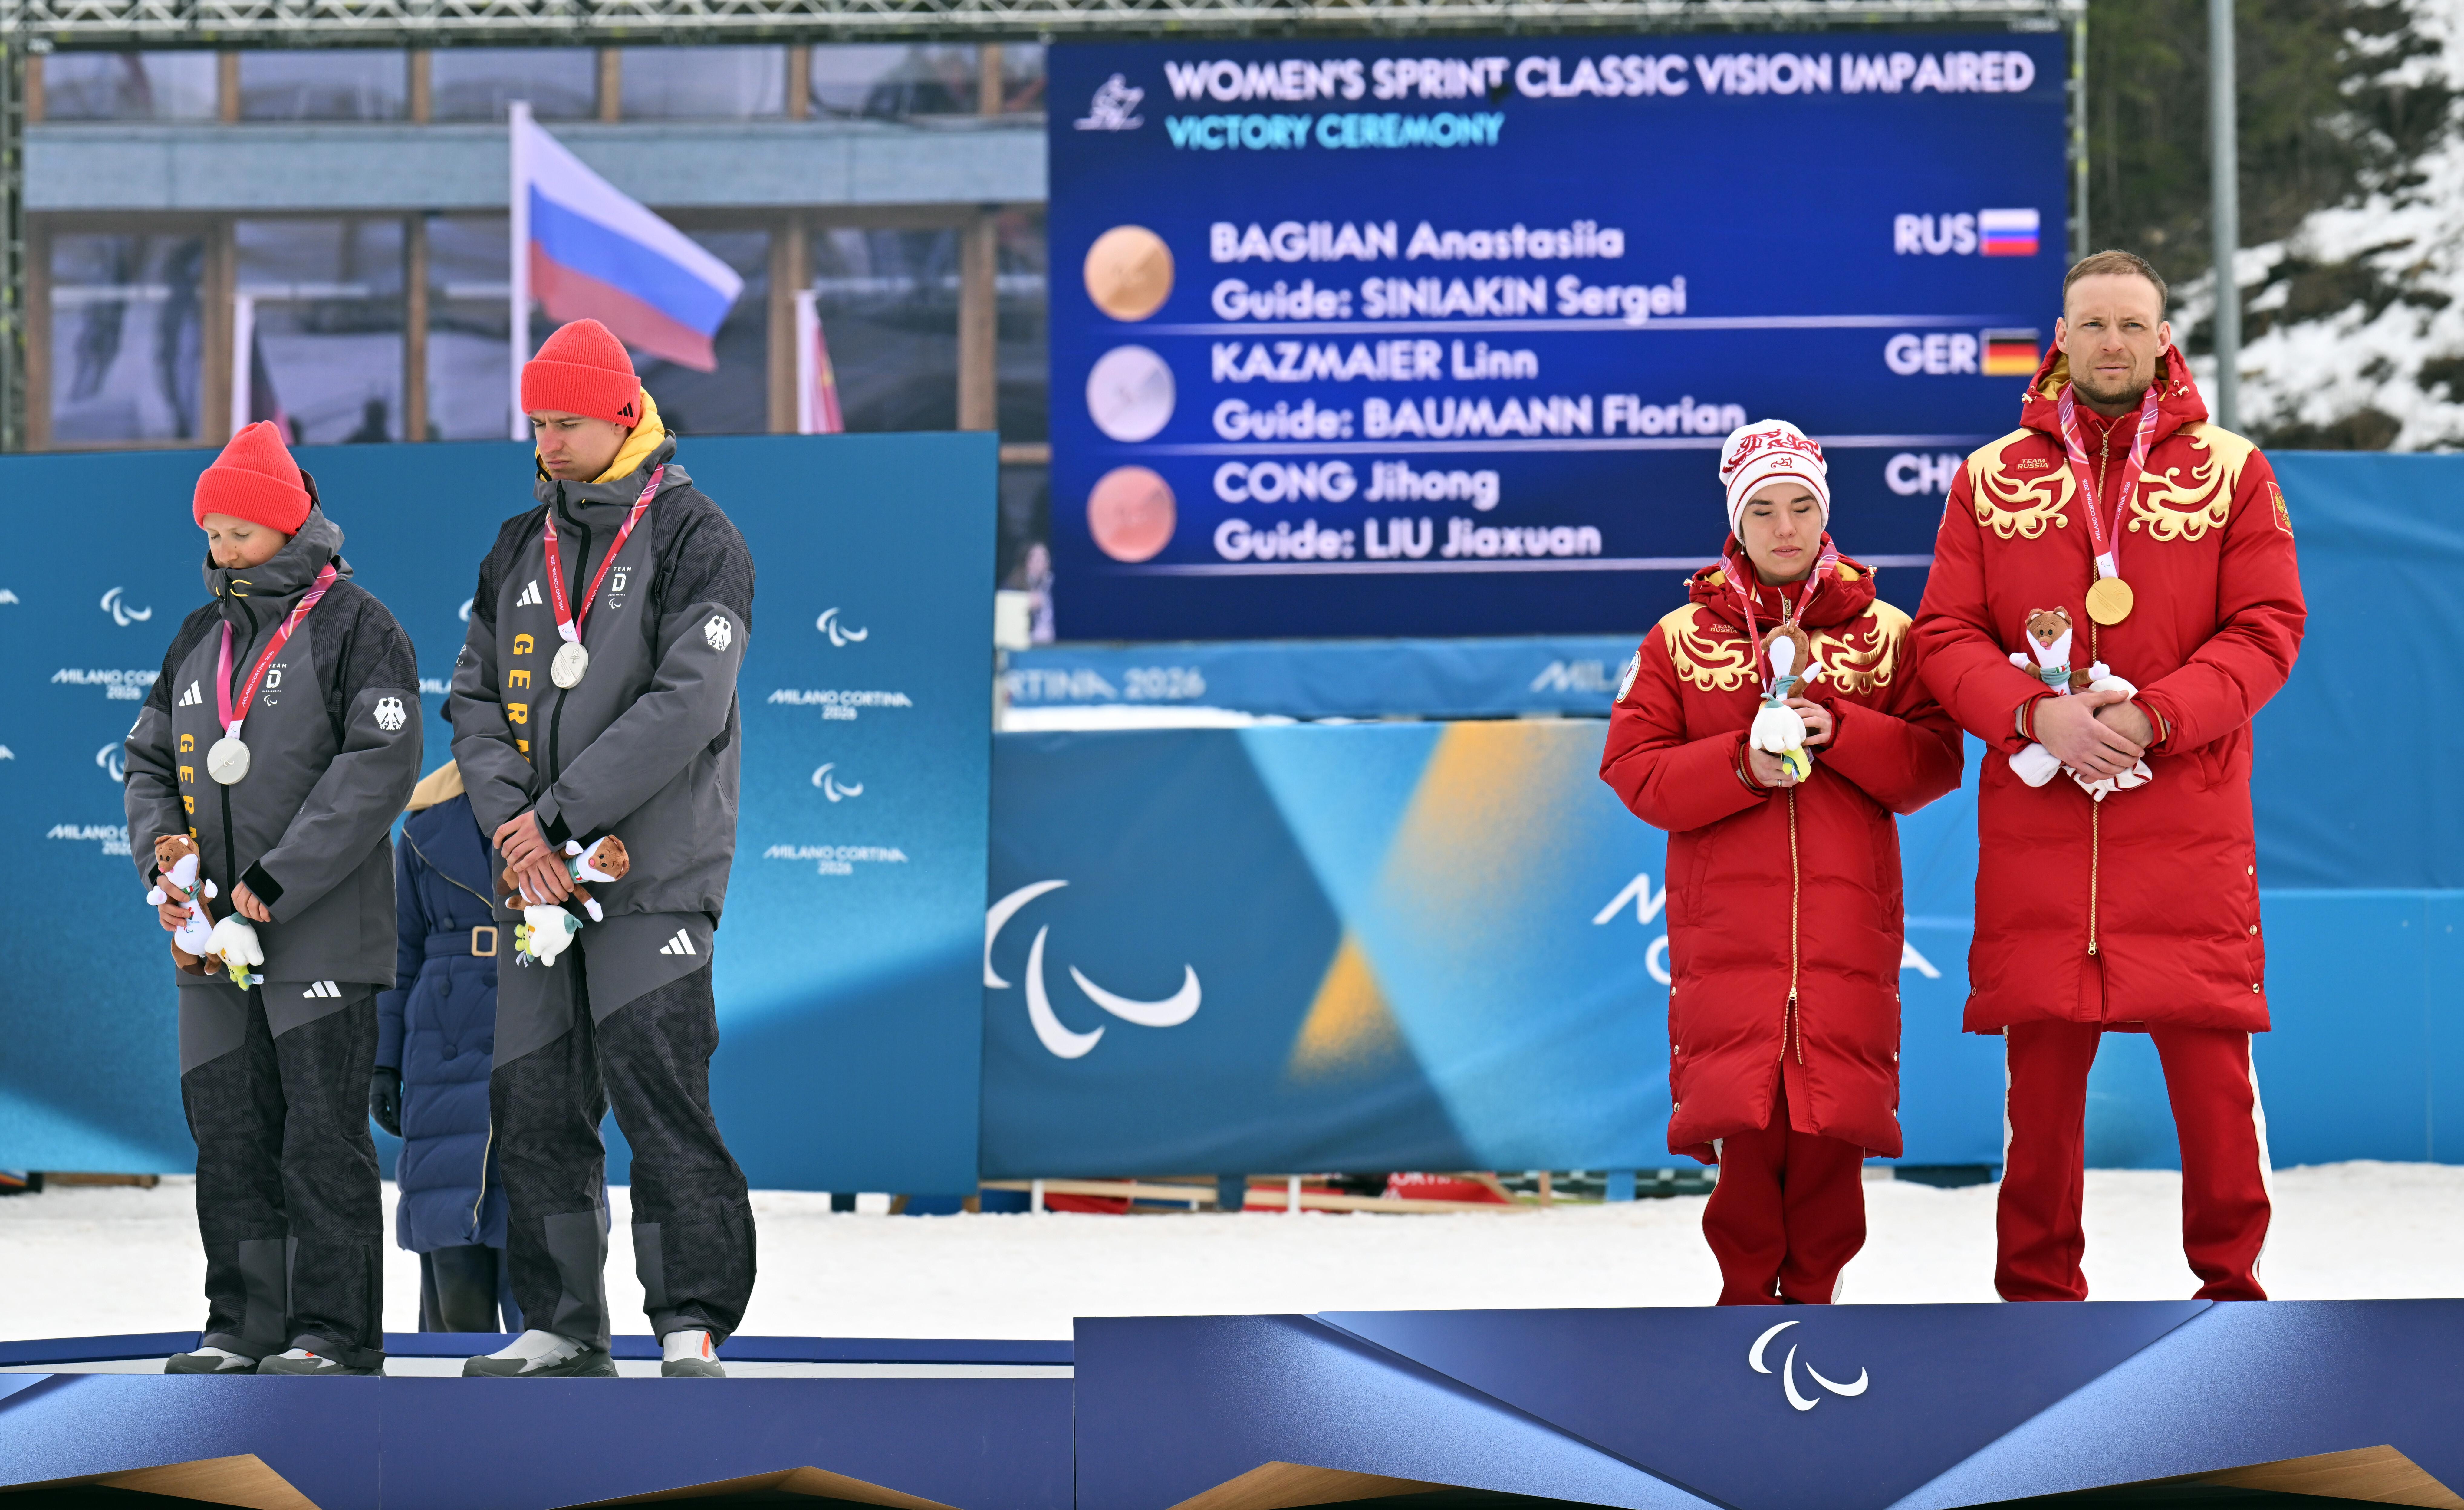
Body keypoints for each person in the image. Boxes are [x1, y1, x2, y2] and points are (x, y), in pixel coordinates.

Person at [1912, 250, 2305, 1302]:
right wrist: (2033, 712)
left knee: (2215, 1088)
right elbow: (1945, 637)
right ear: (2062, 336)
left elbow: (2270, 629)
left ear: (2165, 338)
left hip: (2186, 826)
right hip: (2044, 835)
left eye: (2134, 325)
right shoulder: (1990, 479)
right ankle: (2037, 1303)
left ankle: (2233, 1296)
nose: (2115, 344)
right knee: (2039, 1096)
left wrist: (2155, 715)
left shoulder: (2233, 470)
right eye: (2095, 325)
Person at [448, 318, 757, 1379]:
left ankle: (692, 1319)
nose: (546, 443)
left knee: (661, 1095)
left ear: (624, 417)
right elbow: (475, 701)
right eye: (536, 424)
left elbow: (689, 703)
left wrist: (561, 816)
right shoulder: (512, 546)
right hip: (535, 882)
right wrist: (510, 826)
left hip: (651, 879)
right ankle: (562, 1322)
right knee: (533, 1101)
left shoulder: (696, 536)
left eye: (565, 423)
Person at [1601, 419, 1962, 1305]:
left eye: (1801, 505)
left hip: (1844, 937)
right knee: (1746, 1140)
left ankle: (1815, 1310)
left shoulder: (1884, 632)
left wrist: (1839, 729)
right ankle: (1741, 1310)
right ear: (1736, 520)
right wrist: (1738, 765)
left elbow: (1932, 762)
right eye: (1762, 509)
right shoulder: (1679, 637)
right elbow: (1632, 770)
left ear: (1825, 512)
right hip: (1729, 939)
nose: (1784, 526)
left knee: (1830, 1136)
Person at [122, 420, 423, 1375]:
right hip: (211, 939)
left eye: (240, 531)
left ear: (288, 525)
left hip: (321, 935)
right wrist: (167, 860)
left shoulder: (360, 626)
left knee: (321, 1137)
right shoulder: (197, 636)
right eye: (212, 532)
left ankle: (333, 1330)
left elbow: (379, 768)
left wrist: (274, 880)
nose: (223, 549)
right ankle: (241, 1321)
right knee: (230, 1131)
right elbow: (145, 762)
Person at [373, 760, 525, 1333]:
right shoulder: (421, 827)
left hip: (536, 1006)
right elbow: (398, 952)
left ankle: (557, 1403)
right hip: (443, 1040)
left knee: (544, 1228)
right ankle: (447, 1402)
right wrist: (383, 1061)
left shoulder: (575, 809)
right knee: (449, 1218)